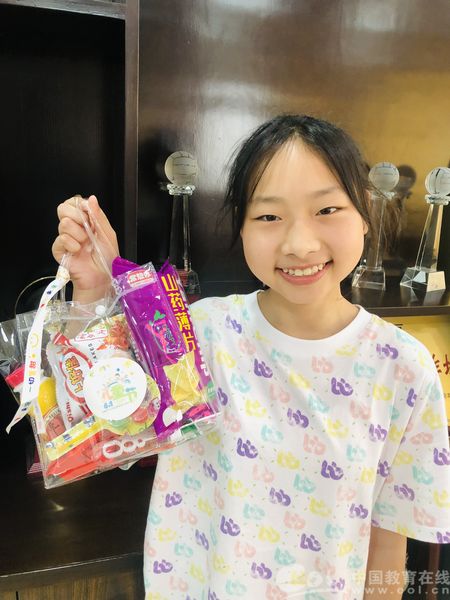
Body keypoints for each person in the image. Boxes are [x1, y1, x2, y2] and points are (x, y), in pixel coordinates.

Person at [52, 115, 450, 600]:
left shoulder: (403, 367)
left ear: (364, 212)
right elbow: (101, 428)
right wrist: (93, 290)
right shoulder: (200, 333)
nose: (300, 244)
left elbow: (388, 545)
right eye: (268, 216)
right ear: (240, 226)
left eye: (327, 209)